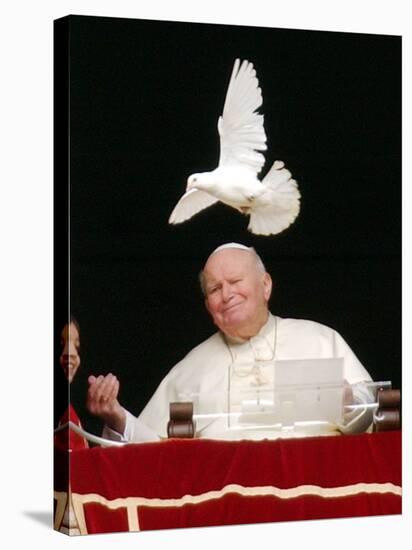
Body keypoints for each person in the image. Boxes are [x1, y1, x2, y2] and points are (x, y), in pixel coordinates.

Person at [87, 243, 374, 442]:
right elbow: (155, 452)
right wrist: (117, 417)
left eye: (235, 280)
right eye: (214, 288)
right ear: (208, 306)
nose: (226, 294)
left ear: (265, 285)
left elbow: (373, 424)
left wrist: (347, 403)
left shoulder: (319, 339)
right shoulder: (190, 369)